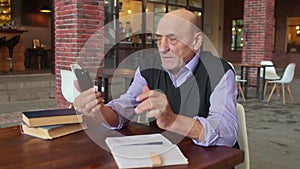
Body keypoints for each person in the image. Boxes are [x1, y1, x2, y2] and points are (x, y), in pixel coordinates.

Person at [74, 9, 238, 147]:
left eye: (172, 39)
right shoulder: (149, 66)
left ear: (196, 41)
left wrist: (172, 121)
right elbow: (124, 109)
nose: (162, 48)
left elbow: (227, 133)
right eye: (159, 39)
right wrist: (100, 112)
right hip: (165, 156)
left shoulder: (219, 71)